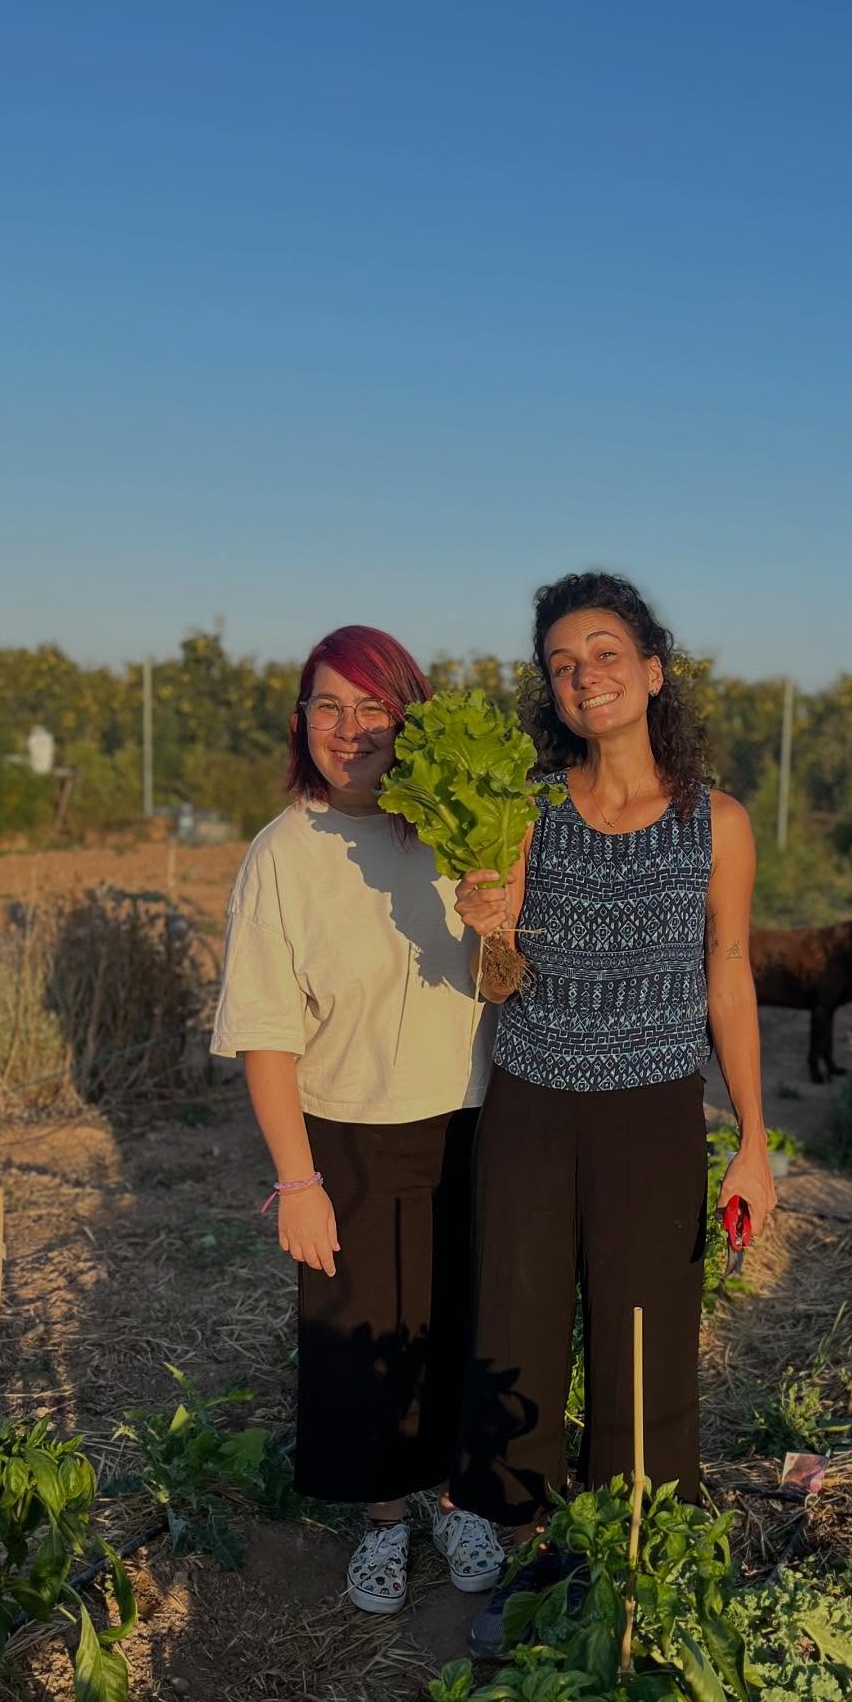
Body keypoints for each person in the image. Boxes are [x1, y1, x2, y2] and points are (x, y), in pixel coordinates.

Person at [449, 572, 776, 1652]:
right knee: (518, 1331)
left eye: (603, 653)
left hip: (652, 1117)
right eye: (561, 664)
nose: (584, 676)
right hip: (532, 1109)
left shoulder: (717, 822)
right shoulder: (530, 811)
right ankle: (534, 1559)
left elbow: (729, 974)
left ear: (652, 670)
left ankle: (633, 1561)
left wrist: (754, 1144)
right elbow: (497, 972)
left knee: (648, 1338)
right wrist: (488, 923)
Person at [210, 626, 505, 1616]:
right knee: (362, 1332)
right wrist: (297, 1181)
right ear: (302, 723)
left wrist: (501, 924)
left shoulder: (459, 833)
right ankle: (384, 1516)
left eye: (372, 706)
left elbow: (504, 981)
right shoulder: (283, 854)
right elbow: (265, 1034)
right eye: (327, 707)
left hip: (470, 1120)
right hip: (347, 1133)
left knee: (456, 1321)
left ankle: (456, 1499)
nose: (349, 728)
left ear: (407, 717)